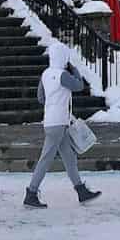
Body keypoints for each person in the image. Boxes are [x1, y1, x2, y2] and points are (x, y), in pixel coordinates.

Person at [24, 41, 101, 209]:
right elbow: (79, 86)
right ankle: (31, 193)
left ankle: (81, 191)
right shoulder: (62, 75)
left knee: (69, 157)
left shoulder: (45, 74)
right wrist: (75, 71)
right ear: (63, 57)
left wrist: (53, 102)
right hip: (59, 122)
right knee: (46, 159)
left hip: (51, 121)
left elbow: (40, 98)